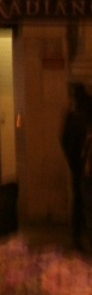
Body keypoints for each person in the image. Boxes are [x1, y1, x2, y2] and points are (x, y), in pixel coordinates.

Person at [61, 83, 92, 253]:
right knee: (85, 202)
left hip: (79, 167)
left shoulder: (73, 116)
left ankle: (78, 236)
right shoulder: (84, 114)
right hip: (84, 166)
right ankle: (82, 235)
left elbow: (65, 140)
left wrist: (72, 161)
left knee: (81, 202)